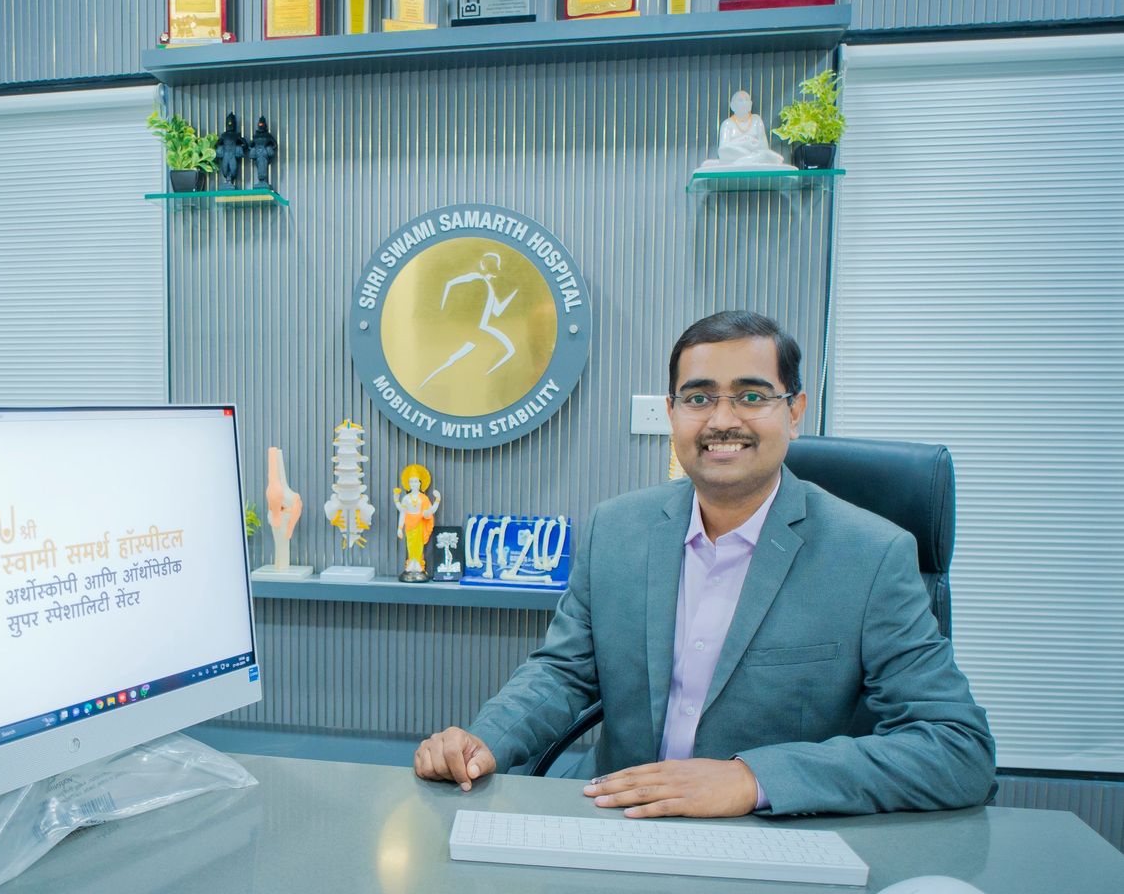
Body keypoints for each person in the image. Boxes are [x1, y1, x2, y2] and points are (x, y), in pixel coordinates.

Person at [414, 310, 995, 817]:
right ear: (672, 413)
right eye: (698, 398)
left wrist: (753, 779)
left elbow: (957, 747)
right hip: (622, 826)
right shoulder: (617, 529)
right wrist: (484, 739)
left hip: (776, 840)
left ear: (795, 411)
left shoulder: (871, 554)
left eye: (751, 395)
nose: (722, 419)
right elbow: (564, 672)